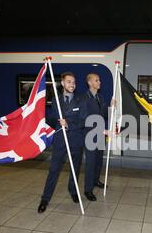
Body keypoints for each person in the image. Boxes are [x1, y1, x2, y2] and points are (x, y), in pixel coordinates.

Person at [38, 72, 85, 213]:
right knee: (53, 170)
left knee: (75, 169)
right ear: (63, 83)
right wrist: (58, 123)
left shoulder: (80, 100)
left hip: (76, 140)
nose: (72, 84)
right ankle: (45, 199)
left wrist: (68, 123)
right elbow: (52, 119)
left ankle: (73, 191)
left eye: (74, 82)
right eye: (69, 82)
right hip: (60, 141)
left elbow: (83, 121)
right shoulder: (55, 100)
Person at [80, 73, 115, 202]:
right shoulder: (84, 98)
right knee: (90, 163)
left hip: (100, 136)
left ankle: (95, 181)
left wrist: (111, 106)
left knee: (98, 160)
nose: (99, 82)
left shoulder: (100, 97)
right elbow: (85, 120)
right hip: (90, 135)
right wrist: (103, 130)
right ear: (90, 83)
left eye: (99, 80)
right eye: (97, 80)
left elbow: (104, 114)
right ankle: (88, 190)